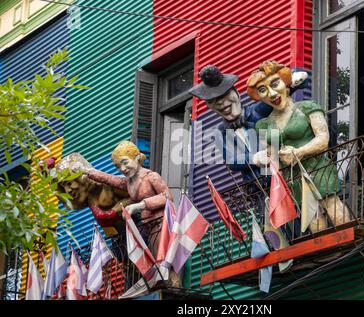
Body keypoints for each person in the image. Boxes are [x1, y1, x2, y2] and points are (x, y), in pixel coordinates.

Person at [247, 60, 350, 232]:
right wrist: (263, 157)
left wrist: (298, 152)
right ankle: (326, 251)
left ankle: (347, 238)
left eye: (275, 84)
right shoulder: (265, 124)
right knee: (312, 217)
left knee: (331, 204)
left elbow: (323, 139)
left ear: (286, 82)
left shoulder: (306, 108)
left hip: (317, 167)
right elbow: (273, 157)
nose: (272, 93)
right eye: (263, 90)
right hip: (293, 177)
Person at [84, 141, 182, 287]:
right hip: (149, 227)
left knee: (165, 263)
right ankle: (164, 286)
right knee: (157, 266)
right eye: (118, 166)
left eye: (125, 162)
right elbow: (110, 179)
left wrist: (140, 205)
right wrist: (87, 171)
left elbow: (167, 196)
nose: (122, 169)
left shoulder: (151, 177)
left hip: (162, 225)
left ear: (136, 158)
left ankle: (174, 288)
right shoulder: (129, 182)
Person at [189, 65, 308, 181]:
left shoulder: (258, 111)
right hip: (256, 190)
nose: (221, 103)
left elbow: (279, 94)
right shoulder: (221, 132)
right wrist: (255, 158)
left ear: (237, 93)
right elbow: (232, 161)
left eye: (225, 95)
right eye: (212, 101)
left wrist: (292, 81)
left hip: (284, 178)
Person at [55, 153, 131, 237]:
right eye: (64, 186)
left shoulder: (107, 185)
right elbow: (67, 202)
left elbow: (135, 196)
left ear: (80, 177)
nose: (67, 190)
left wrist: (114, 211)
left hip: (138, 228)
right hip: (121, 239)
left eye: (69, 183)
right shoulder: (89, 198)